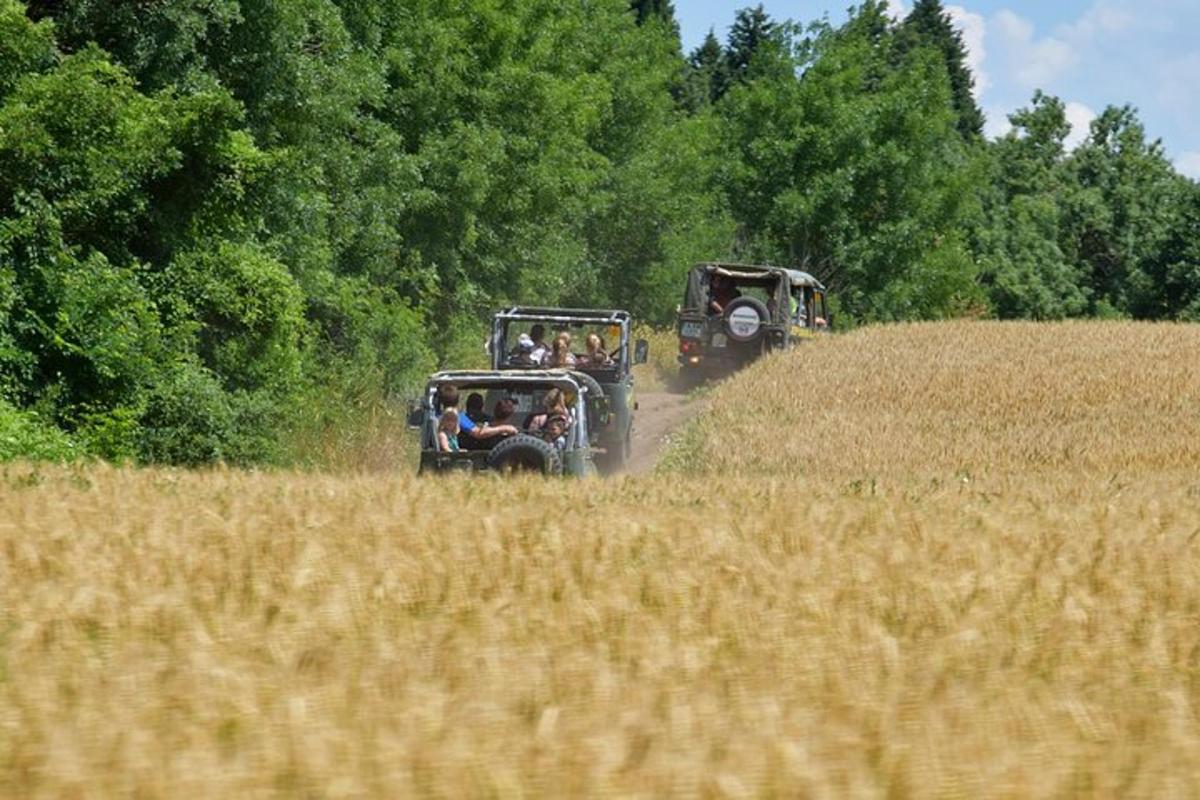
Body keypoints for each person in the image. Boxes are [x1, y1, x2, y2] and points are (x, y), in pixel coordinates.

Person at [437, 385, 518, 444]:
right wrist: (504, 428)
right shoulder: (455, 416)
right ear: (457, 399)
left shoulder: (438, 415)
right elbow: (478, 434)